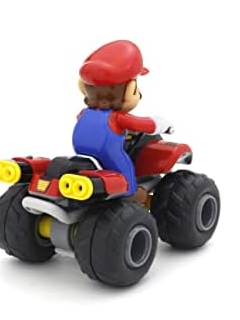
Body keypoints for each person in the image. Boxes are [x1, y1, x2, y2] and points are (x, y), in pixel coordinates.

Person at [72, 40, 174, 202]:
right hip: (108, 154)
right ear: (128, 90)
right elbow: (144, 125)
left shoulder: (85, 113)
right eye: (135, 88)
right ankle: (132, 194)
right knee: (126, 170)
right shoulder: (117, 118)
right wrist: (162, 125)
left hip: (82, 151)